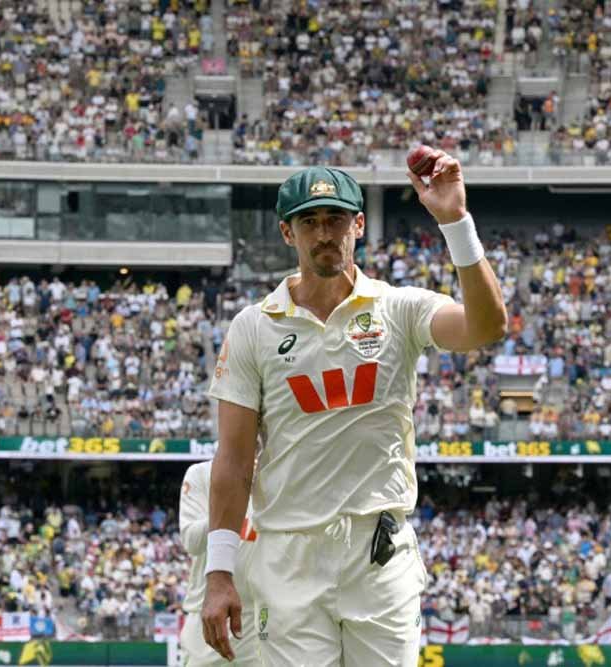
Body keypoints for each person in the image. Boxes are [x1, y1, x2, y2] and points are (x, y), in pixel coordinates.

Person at [202, 154, 507, 665]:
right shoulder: (253, 327)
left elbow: (487, 326)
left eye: (336, 219)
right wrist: (218, 574)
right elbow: (233, 461)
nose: (325, 233)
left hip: (379, 553)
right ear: (287, 232)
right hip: (289, 554)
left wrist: (456, 221)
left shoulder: (399, 308)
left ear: (358, 225)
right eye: (309, 221)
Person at [179, 460, 258, 666]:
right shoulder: (201, 473)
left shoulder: (275, 471)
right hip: (209, 613)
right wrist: (230, 512)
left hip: (260, 613)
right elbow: (191, 541)